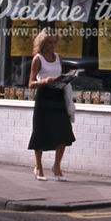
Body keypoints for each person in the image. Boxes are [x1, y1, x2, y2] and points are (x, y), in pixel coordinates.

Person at [28, 30, 75, 181]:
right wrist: (44, 81)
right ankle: (39, 168)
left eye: (55, 42)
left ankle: (57, 167)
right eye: (50, 42)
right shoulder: (38, 59)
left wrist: (65, 79)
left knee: (64, 131)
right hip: (44, 97)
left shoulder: (58, 58)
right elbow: (30, 83)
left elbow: (59, 74)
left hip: (58, 96)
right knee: (41, 132)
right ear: (43, 43)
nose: (53, 45)